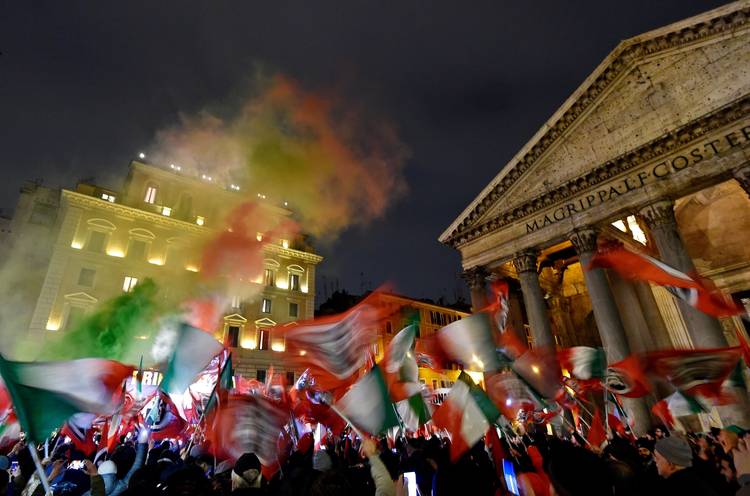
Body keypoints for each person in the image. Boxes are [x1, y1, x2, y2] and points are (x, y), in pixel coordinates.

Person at [653, 436, 718, 494]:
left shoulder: (678, 487)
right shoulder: (692, 477)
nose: (655, 460)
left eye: (657, 458)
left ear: (670, 463)